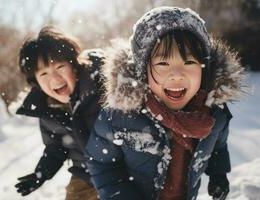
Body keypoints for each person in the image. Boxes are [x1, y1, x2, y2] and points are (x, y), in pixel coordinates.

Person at [85, 7, 245, 200]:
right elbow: (102, 163)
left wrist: (218, 174)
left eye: (189, 63)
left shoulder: (214, 113)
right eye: (162, 63)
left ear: (204, 68)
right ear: (143, 70)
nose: (177, 74)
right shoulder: (119, 115)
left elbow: (218, 146)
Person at [14, 26, 104, 200]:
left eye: (60, 67)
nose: (54, 79)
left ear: (75, 66)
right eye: (44, 73)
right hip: (84, 176)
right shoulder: (48, 110)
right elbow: (56, 147)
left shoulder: (99, 89)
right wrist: (41, 174)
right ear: (36, 82)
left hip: (120, 170)